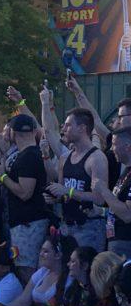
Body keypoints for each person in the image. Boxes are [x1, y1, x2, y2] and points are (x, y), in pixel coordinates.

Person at [0, 113, 50, 283]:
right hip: (24, 222)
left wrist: (2, 176)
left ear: (12, 132)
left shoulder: (28, 156)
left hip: (28, 223)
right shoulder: (29, 153)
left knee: (27, 269)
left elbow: (25, 193)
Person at [46, 108, 108, 252]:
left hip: (88, 227)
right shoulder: (64, 158)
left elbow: (99, 198)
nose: (63, 129)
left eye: (68, 125)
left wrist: (69, 191)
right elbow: (63, 192)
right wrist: (53, 197)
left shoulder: (96, 158)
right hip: (66, 225)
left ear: (82, 128)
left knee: (85, 271)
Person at [93, 126, 131, 258]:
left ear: (127, 146)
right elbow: (118, 206)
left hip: (126, 243)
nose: (111, 149)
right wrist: (101, 211)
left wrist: (104, 190)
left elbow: (127, 214)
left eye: (114, 144)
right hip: (116, 241)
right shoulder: (126, 172)